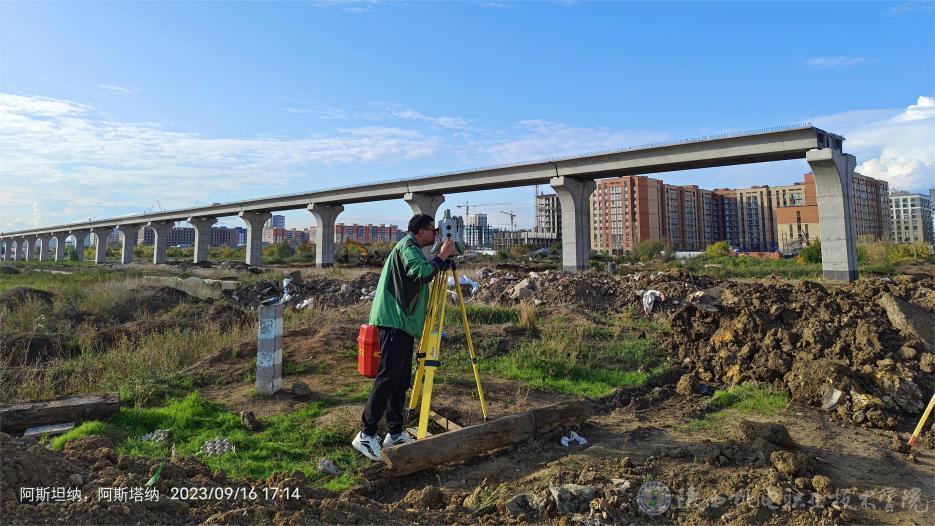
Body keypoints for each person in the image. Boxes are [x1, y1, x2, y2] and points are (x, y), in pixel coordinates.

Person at [351, 213, 456, 461]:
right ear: (421, 231)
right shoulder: (407, 247)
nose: (435, 234)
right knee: (388, 378)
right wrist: (441, 256)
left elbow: (423, 271)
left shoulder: (413, 249)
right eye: (432, 230)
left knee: (399, 381)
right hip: (393, 321)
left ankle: (395, 432)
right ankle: (366, 434)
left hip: (403, 323)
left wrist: (441, 259)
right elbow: (421, 272)